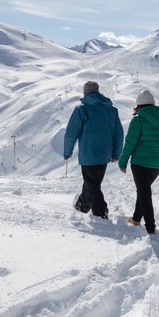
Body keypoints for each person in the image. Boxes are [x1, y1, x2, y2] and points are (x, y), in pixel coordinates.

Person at [118, 89, 159, 234]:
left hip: (139, 164)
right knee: (143, 191)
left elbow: (130, 143)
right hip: (156, 165)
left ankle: (151, 228)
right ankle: (135, 219)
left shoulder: (138, 120)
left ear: (139, 105)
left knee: (144, 193)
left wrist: (123, 161)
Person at [63, 80, 124, 220]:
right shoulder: (111, 110)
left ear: (86, 93)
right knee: (93, 182)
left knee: (93, 184)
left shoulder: (82, 110)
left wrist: (67, 151)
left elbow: (71, 133)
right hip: (105, 155)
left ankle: (101, 212)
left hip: (88, 154)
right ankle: (82, 205)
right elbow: (119, 134)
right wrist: (116, 153)